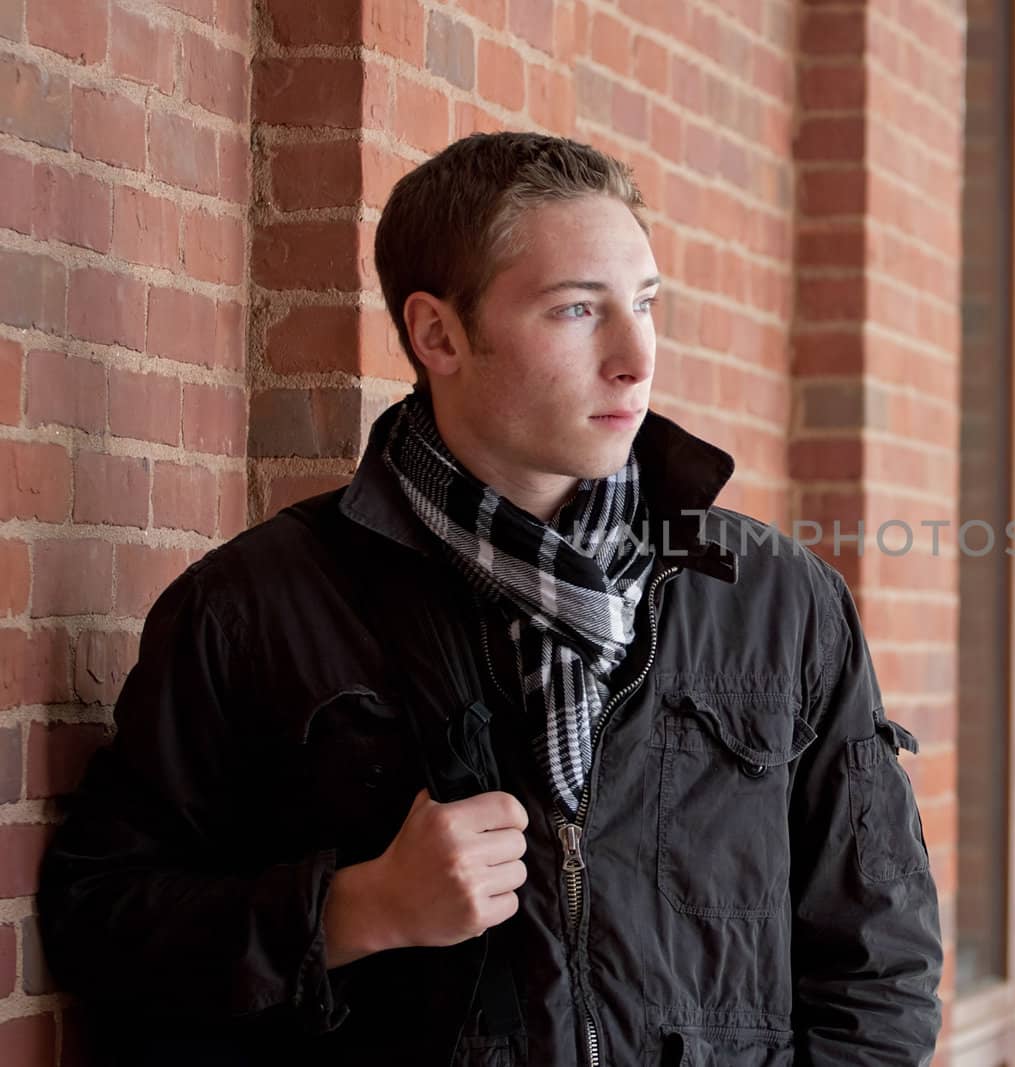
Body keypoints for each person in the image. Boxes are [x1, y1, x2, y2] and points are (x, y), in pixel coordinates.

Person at [35, 131, 942, 1066]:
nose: (636, 355)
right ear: (439, 334)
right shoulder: (255, 606)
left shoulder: (777, 602)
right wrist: (353, 910)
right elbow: (104, 923)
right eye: (577, 310)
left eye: (645, 303)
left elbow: (880, 970)